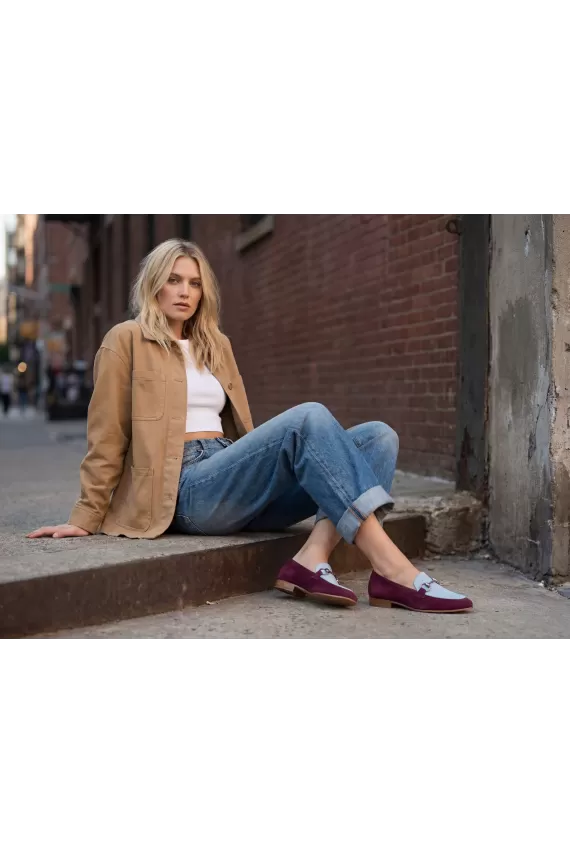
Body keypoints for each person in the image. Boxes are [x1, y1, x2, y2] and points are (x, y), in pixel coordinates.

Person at [27, 240, 473, 614]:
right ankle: (393, 571)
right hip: (184, 488)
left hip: (228, 471)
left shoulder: (216, 345)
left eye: (195, 283)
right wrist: (85, 516)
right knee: (309, 417)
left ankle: (312, 557)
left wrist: (259, 471)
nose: (185, 291)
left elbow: (242, 430)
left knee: (379, 437)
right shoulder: (125, 340)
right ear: (153, 284)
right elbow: (106, 435)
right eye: (174, 279)